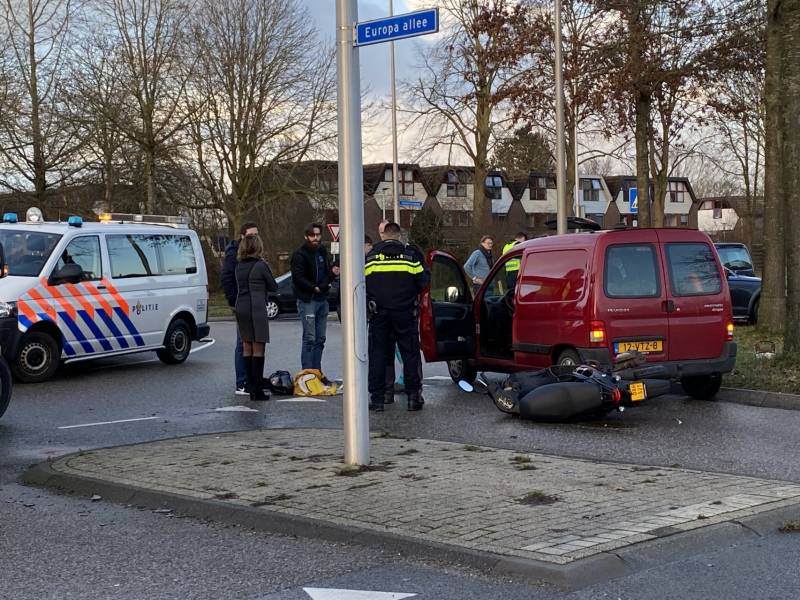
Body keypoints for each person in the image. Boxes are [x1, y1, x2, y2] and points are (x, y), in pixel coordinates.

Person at [365, 222, 430, 412]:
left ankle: (379, 399)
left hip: (379, 313)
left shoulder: (371, 257)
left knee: (378, 355)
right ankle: (413, 398)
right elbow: (424, 280)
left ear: (383, 236)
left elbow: (362, 282)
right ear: (399, 236)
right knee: (410, 355)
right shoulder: (410, 256)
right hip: (405, 313)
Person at [234, 234, 277, 401]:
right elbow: (273, 286)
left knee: (246, 346)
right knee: (259, 347)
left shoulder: (239, 266)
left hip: (241, 307)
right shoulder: (261, 265)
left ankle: (251, 387)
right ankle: (258, 390)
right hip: (256, 307)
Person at [291, 223, 334, 381]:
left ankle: (317, 372)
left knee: (320, 339)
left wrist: (331, 276)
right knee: (310, 338)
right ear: (306, 236)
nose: (316, 238)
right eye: (312, 235)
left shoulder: (322, 251)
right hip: (308, 299)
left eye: (318, 235)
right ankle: (307, 374)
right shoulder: (300, 255)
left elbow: (326, 272)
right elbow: (298, 277)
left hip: (322, 299)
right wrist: (313, 288)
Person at [221, 221, 259, 395]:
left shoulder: (255, 253)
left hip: (253, 303)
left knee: (254, 342)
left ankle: (252, 379)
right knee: (242, 343)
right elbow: (227, 278)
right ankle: (242, 382)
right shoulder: (233, 254)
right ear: (243, 236)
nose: (254, 238)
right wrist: (233, 301)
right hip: (241, 303)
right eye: (251, 235)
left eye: (256, 235)